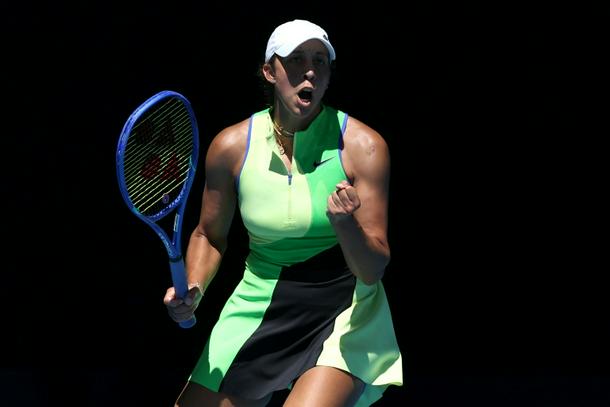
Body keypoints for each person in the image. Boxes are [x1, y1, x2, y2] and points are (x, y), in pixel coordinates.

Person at [164, 19, 403, 407]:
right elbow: (209, 234)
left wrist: (345, 224)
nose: (310, 71)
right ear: (269, 71)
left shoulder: (363, 147)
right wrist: (194, 287)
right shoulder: (231, 147)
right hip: (259, 301)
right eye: (295, 59)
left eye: (320, 61)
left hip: (343, 305)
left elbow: (372, 268)